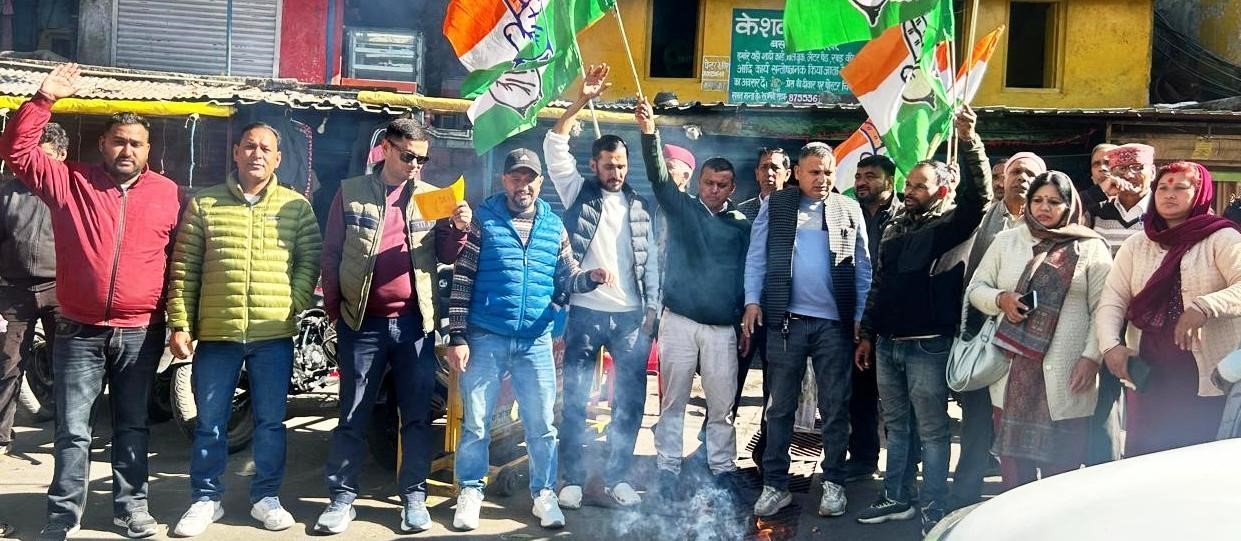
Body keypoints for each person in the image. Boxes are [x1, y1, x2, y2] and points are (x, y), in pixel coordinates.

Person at [0, 64, 181, 541]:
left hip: (141, 330)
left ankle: (131, 509)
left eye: (136, 143)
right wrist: (43, 99)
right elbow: (16, 151)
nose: (127, 150)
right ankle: (63, 514)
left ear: (149, 150)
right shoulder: (70, 182)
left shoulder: (167, 194)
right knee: (73, 428)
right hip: (79, 329)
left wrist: (180, 320)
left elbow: (181, 260)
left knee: (133, 426)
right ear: (103, 144)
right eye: (119, 141)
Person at [314, 117, 471, 535]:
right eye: (408, 156)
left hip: (415, 325)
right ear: (385, 148)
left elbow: (446, 254)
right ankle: (341, 498)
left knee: (417, 415)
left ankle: (414, 497)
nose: (415, 165)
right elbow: (331, 253)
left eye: (422, 159)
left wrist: (458, 229)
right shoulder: (351, 192)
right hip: (361, 323)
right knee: (353, 413)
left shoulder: (432, 197)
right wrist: (336, 310)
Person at [166, 123, 322, 536]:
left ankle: (266, 498)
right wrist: (180, 323)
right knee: (210, 423)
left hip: (273, 336)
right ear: (235, 152)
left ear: (278, 158)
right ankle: (205, 499)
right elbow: (184, 268)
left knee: (271, 422)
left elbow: (310, 259)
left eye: (266, 149)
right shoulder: (205, 204)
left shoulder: (296, 207)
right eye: (250, 146)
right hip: (218, 335)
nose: (257, 154)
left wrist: (293, 302)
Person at [446, 149, 610, 531]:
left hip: (535, 341)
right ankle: (470, 491)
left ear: (540, 182)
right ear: (504, 181)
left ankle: (543, 494)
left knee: (542, 425)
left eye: (530, 178)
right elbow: (462, 278)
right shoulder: (483, 220)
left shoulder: (554, 226)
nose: (523, 185)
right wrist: (457, 335)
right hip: (486, 337)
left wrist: (590, 278)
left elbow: (567, 276)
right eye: (516, 178)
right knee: (476, 424)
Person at [854, 106, 992, 535]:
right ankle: (897, 497)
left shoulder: (952, 225)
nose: (910, 190)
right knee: (896, 427)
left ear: (942, 189)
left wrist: (968, 141)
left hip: (929, 345)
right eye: (908, 184)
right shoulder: (895, 226)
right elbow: (880, 284)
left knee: (933, 431)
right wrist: (867, 333)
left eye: (919, 185)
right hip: (888, 345)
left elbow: (979, 197)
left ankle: (934, 505)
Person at [544, 63, 660, 509]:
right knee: (575, 399)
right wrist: (581, 100)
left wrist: (652, 309)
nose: (616, 172)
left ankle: (616, 478)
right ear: (593, 165)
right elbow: (554, 146)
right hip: (586, 312)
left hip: (630, 318)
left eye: (622, 165)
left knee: (629, 403)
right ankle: (572, 479)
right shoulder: (578, 192)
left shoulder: (639, 204)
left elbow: (651, 263)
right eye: (609, 165)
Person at [744, 142, 870, 518]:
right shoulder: (777, 204)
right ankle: (775, 485)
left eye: (828, 172)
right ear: (797, 173)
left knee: (835, 407)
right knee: (780, 407)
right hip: (787, 321)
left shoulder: (848, 208)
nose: (822, 179)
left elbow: (863, 267)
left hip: (835, 326)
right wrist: (752, 300)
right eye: (814, 172)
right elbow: (756, 256)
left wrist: (861, 317)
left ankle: (833, 484)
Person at [965, 171, 1113, 489]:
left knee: (1063, 472)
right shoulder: (1007, 241)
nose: (1044, 208)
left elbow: (1104, 309)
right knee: (1014, 473)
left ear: (1069, 205)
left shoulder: (1090, 247)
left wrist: (1091, 358)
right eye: (1038, 200)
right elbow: (976, 288)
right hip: (1011, 372)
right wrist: (1001, 299)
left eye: (1054, 202)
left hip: (1069, 373)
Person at [636, 97, 752, 499]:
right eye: (708, 183)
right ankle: (667, 466)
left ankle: (722, 467)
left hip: (722, 329)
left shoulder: (742, 226)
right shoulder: (682, 209)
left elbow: (749, 276)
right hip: (679, 322)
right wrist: (649, 133)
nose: (714, 190)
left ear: (732, 188)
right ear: (698, 182)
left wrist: (745, 321)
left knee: (721, 406)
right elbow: (658, 177)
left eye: (722, 185)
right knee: (673, 402)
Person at [1097, 161, 1241, 457]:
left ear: (1200, 194)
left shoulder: (1222, 238)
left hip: (1205, 372)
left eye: (1180, 187)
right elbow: (1112, 300)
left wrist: (1205, 306)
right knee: (1145, 457)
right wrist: (1110, 346)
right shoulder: (1138, 244)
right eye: (1162, 187)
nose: (1168, 194)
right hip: (1149, 369)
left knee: (1198, 459)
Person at [950, 151, 1046, 508]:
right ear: (1002, 179)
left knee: (1024, 425)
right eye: (1016, 171)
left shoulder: (1053, 223)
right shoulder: (985, 218)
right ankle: (963, 500)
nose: (1022, 178)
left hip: (1033, 341)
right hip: (986, 334)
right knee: (976, 423)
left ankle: (1023, 504)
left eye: (1030, 173)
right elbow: (976, 282)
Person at [1079, 143, 1155, 465]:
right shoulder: (1096, 209)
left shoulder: (1161, 212)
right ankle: (1104, 469)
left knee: (1147, 399)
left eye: (1138, 168)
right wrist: (1100, 190)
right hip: (1102, 316)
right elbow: (1067, 218)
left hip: (1149, 321)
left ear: (1152, 172)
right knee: (1103, 400)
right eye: (1122, 169)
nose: (1130, 175)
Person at [0, 122, 65, 457]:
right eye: (32, 156)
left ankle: (71, 436)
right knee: (7, 363)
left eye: (46, 156)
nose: (37, 164)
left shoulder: (71, 191)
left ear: (62, 156)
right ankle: (1, 437)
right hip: (14, 291)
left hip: (62, 290)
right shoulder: (7, 193)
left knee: (68, 365)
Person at [849, 153, 900, 483]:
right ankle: (863, 458)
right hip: (854, 319)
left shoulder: (904, 216)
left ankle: (903, 465)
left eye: (870, 176)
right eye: (858, 176)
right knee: (859, 394)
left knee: (898, 400)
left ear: (889, 182)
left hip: (893, 320)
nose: (861, 182)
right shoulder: (848, 213)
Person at [737, 147, 792, 222]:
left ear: (787, 175)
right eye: (764, 167)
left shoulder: (796, 209)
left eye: (775, 168)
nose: (769, 173)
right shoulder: (742, 211)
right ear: (757, 174)